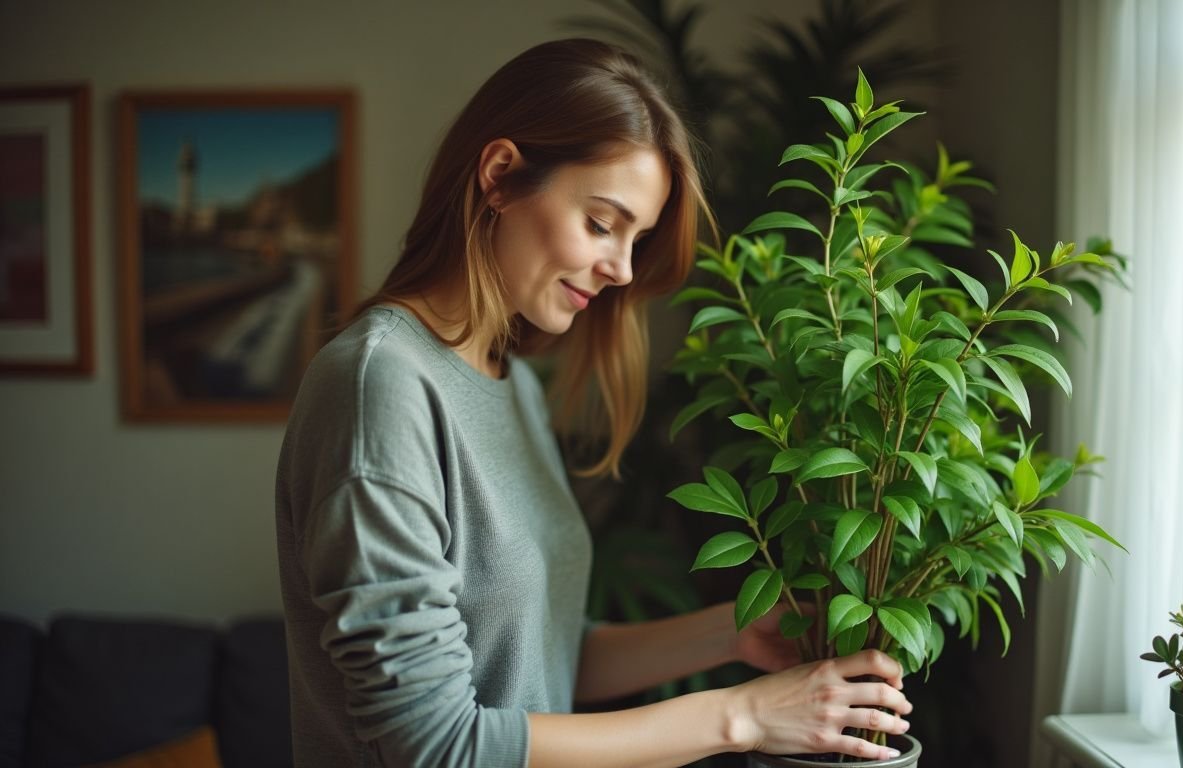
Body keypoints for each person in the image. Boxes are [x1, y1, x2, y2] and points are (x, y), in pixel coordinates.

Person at [274, 38, 913, 768]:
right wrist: (740, 717)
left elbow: (533, 657)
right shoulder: (380, 388)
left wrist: (729, 633)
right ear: (500, 176)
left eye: (636, 238)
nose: (622, 269)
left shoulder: (506, 381)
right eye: (603, 223)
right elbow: (436, 744)